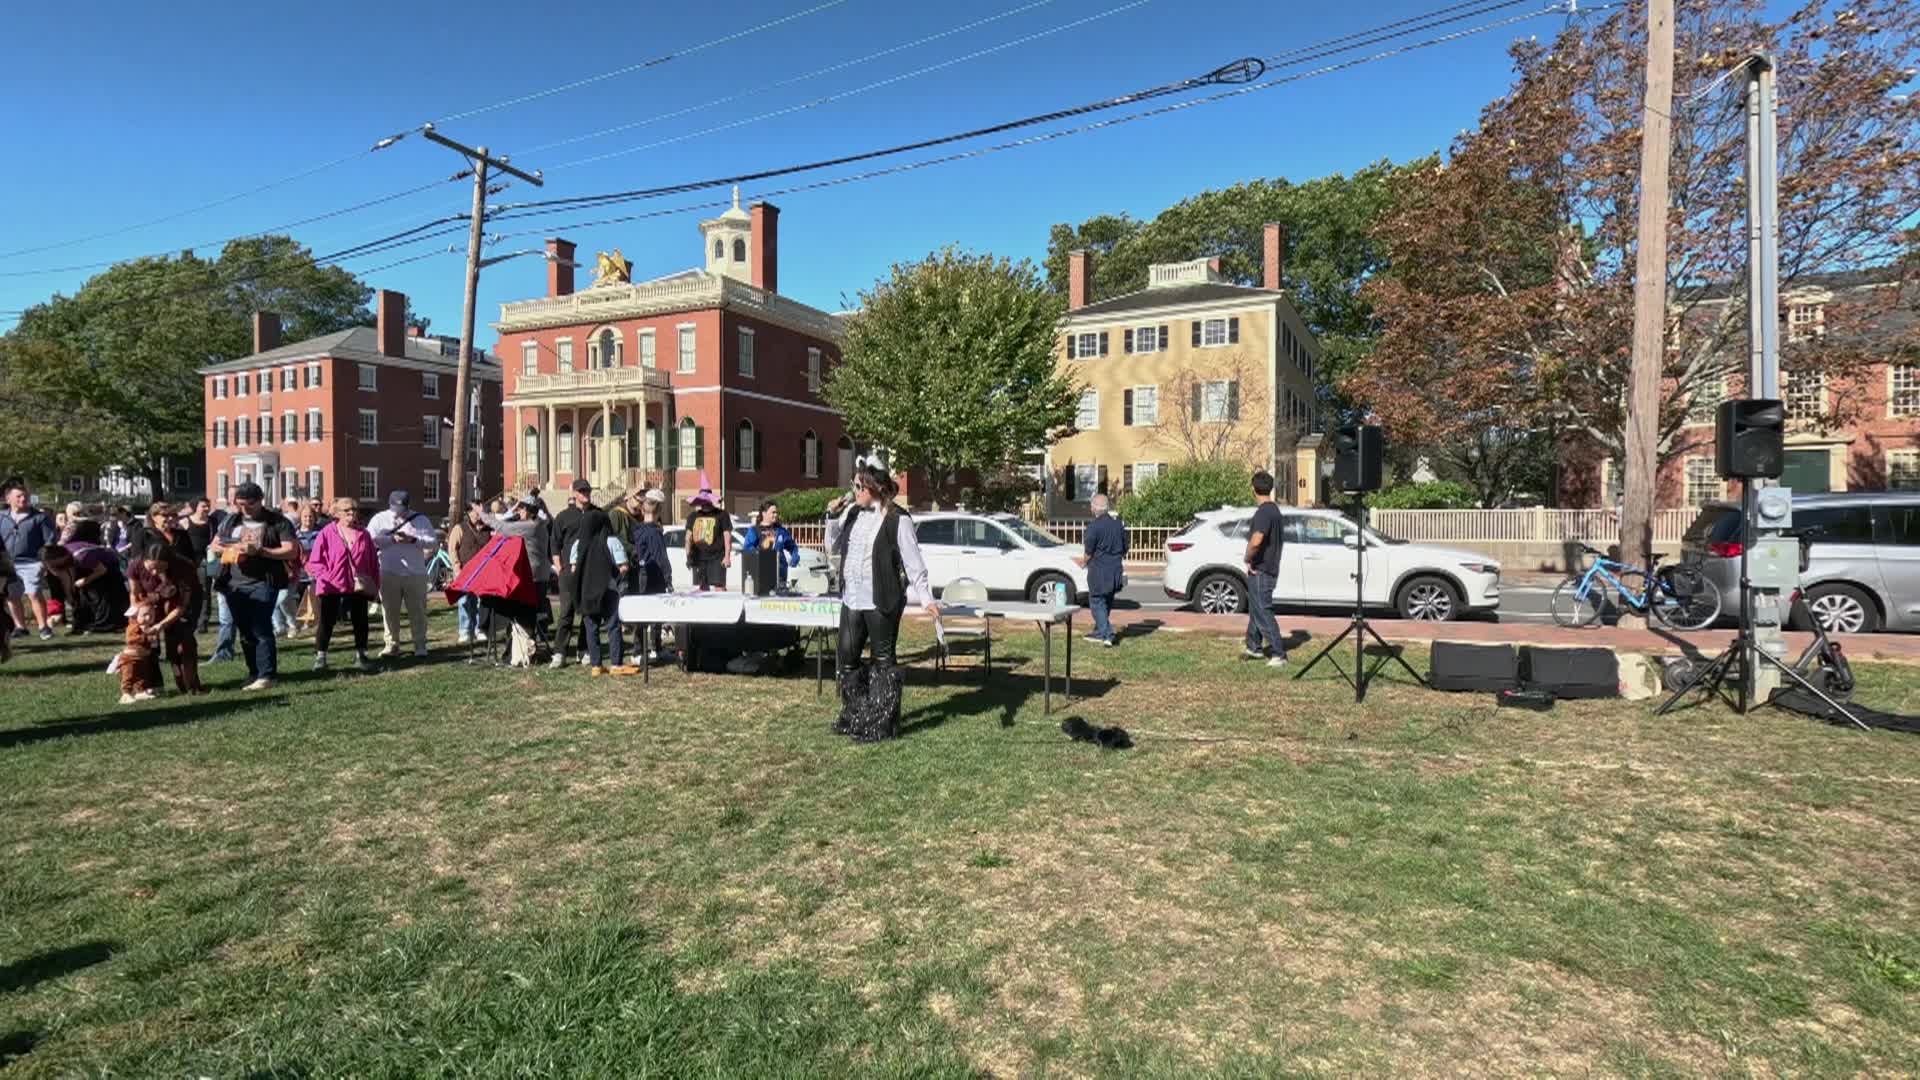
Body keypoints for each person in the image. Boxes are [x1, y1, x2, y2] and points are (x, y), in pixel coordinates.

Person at [826, 466, 938, 742]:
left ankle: (881, 723)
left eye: (857, 488)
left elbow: (914, 562)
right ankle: (855, 714)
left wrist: (926, 598)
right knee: (847, 657)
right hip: (852, 597)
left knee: (883, 662)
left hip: (881, 598)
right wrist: (831, 517)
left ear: (872, 489)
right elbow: (832, 547)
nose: (853, 493)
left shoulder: (898, 518)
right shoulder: (851, 513)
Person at [211, 481, 300, 690]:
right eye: (239, 503)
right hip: (233, 583)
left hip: (264, 581)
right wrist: (221, 549)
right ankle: (254, 672)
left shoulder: (277, 522)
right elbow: (215, 544)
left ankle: (267, 675)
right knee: (245, 630)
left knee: (261, 626)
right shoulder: (230, 520)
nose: (243, 508)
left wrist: (261, 551)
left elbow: (291, 550)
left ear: (260, 500)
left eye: (248, 504)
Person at [306, 497, 381, 673]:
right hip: (331, 584)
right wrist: (325, 576)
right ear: (337, 513)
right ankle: (321, 656)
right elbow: (315, 561)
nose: (351, 513)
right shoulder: (327, 532)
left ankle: (361, 654)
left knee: (360, 620)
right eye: (347, 510)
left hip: (358, 584)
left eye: (354, 510)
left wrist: (375, 585)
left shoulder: (364, 534)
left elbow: (372, 563)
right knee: (327, 620)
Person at [124, 540, 206, 698]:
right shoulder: (135, 565)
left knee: (182, 643)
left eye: (160, 568)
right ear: (144, 560)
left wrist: (161, 625)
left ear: (169, 562)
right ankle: (151, 685)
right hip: (149, 604)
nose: (154, 572)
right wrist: (140, 615)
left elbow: (181, 606)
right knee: (146, 645)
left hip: (180, 607)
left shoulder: (183, 567)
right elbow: (134, 594)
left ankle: (190, 684)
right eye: (151, 567)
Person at [366, 490, 440, 659]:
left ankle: (420, 644)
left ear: (408, 506)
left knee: (418, 610)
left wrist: (413, 540)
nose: (398, 512)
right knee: (390, 611)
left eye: (402, 508)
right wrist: (391, 540)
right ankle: (392, 645)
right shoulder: (379, 519)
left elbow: (433, 543)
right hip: (388, 570)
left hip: (415, 572)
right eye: (395, 508)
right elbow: (369, 540)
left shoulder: (420, 519)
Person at [566, 499, 633, 676]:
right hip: (608, 589)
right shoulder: (612, 541)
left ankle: (596, 665)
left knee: (591, 627)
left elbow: (573, 568)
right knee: (612, 626)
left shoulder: (578, 544)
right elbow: (623, 567)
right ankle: (616, 664)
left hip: (587, 591)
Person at [1, 479, 60, 641]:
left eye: (25, 496)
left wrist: (44, 562)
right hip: (8, 563)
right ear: (8, 499)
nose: (23, 499)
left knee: (33, 593)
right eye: (18, 496)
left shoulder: (39, 518)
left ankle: (44, 627)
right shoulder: (2, 517)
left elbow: (49, 541)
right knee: (12, 596)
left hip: (31, 562)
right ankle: (20, 627)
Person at [492, 498, 554, 650]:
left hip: (531, 574)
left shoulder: (530, 526)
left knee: (522, 611)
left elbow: (501, 526)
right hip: (541, 574)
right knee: (532, 611)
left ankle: (521, 647)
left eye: (522, 509)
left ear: (529, 511)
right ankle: (530, 642)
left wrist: (483, 514)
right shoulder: (542, 523)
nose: (519, 512)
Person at [547, 480, 594, 668]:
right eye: (582, 491)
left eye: (588, 491)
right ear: (574, 493)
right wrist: (559, 568)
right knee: (566, 612)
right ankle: (560, 652)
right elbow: (554, 544)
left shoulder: (596, 514)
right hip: (567, 572)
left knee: (587, 613)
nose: (585, 494)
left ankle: (584, 650)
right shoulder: (563, 517)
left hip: (589, 572)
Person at [1244, 470, 1287, 668]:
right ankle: (1254, 647)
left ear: (1254, 489)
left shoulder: (1263, 513)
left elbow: (1256, 540)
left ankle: (1279, 653)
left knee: (1263, 610)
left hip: (1261, 569)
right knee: (1255, 608)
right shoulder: (1275, 511)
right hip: (1269, 567)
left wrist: (1248, 558)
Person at [1077, 493, 1129, 647]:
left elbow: (1089, 552)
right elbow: (1126, 547)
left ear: (1095, 508)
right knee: (1106, 601)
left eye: (1092, 506)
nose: (1091, 508)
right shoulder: (1118, 524)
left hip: (1099, 571)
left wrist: (1082, 562)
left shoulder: (1093, 527)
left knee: (1096, 602)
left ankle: (1107, 634)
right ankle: (1100, 631)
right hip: (1115, 570)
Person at [629, 488, 672, 660]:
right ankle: (653, 648)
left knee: (641, 613)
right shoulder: (654, 532)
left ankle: (639, 649)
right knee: (655, 612)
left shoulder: (637, 530)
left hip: (640, 573)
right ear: (658, 510)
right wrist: (668, 578)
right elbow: (661, 557)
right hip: (654, 574)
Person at [447, 500, 494, 645]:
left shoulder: (489, 529)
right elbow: (452, 548)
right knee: (465, 601)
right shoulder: (459, 528)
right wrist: (457, 568)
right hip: (464, 571)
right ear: (468, 512)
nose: (478, 513)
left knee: (482, 602)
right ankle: (465, 630)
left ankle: (480, 629)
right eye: (475, 510)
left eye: (481, 510)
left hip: (484, 572)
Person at [743, 501, 801, 594]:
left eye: (777, 512)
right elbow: (748, 548)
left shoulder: (781, 531)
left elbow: (793, 547)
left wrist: (794, 560)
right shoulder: (754, 530)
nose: (776, 515)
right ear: (764, 513)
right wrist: (761, 558)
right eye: (773, 512)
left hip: (781, 575)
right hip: (762, 574)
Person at [684, 481, 733, 591]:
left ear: (711, 500)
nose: (704, 503)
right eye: (702, 500)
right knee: (702, 589)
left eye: (706, 500)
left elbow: (727, 537)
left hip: (717, 557)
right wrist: (688, 556)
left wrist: (727, 556)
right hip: (699, 557)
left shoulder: (722, 514)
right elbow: (688, 538)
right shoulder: (693, 516)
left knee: (719, 588)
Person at [184, 498, 216, 632]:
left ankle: (202, 622)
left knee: (204, 591)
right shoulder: (186, 521)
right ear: (196, 507)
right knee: (188, 590)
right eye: (204, 506)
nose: (207, 509)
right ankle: (189, 618)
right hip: (189, 561)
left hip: (206, 560)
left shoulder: (212, 522)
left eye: (208, 506)